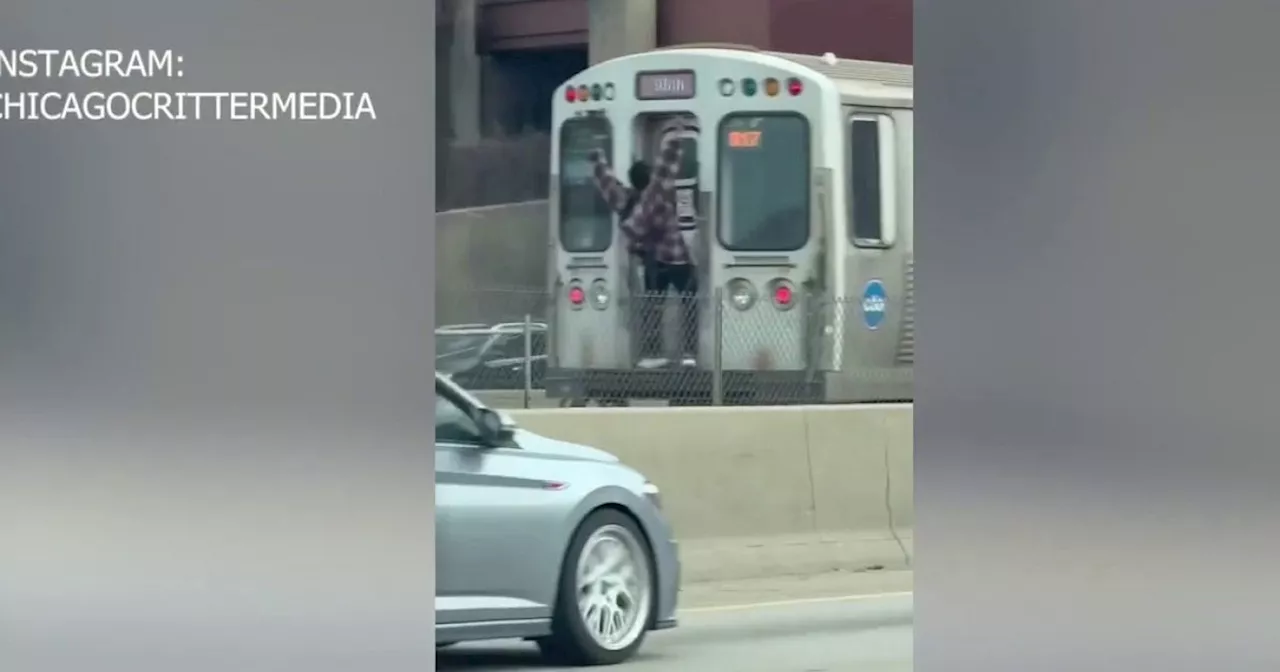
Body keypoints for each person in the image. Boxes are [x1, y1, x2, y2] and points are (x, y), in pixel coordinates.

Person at [588, 118, 698, 368]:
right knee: (690, 301)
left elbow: (606, 182)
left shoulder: (624, 199)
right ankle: (690, 352)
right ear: (648, 179)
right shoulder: (656, 194)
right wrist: (678, 137)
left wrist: (596, 157)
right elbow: (666, 165)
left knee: (653, 306)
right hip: (677, 257)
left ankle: (652, 353)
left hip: (651, 262)